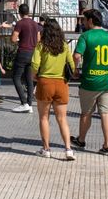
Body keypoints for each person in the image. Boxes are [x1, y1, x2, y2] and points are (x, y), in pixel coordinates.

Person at [71, 9, 108, 156]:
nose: (83, 22)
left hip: (90, 82)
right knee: (106, 113)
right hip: (107, 81)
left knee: (86, 113)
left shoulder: (86, 36)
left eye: (84, 20)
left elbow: (76, 55)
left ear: (91, 21)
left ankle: (81, 140)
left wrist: (76, 68)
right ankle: (107, 145)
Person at [30, 19, 76, 160]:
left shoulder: (41, 46)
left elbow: (35, 64)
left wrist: (35, 76)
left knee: (44, 117)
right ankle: (68, 149)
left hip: (45, 82)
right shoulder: (63, 46)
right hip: (61, 83)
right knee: (62, 119)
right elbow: (72, 65)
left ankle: (46, 149)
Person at [10, 3, 41, 113]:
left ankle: (24, 103)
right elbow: (38, 39)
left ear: (20, 13)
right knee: (29, 79)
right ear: (29, 12)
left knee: (16, 77)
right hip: (32, 52)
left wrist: (19, 40)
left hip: (23, 51)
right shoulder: (35, 23)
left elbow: (13, 39)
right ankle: (30, 104)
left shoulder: (20, 23)